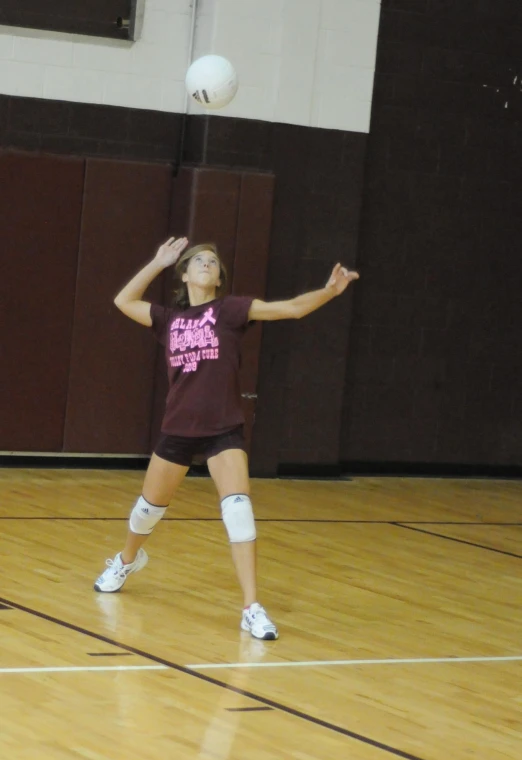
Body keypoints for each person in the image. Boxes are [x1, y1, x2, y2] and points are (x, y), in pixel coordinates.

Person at [94, 237, 359, 640]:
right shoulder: (168, 319)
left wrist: (329, 291)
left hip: (224, 429)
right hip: (178, 428)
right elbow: (123, 301)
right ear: (184, 274)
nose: (205, 264)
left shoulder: (231, 310)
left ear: (219, 278)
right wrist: (157, 262)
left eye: (212, 262)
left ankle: (252, 608)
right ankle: (127, 559)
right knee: (147, 511)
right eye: (197, 260)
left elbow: (289, 310)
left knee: (239, 512)